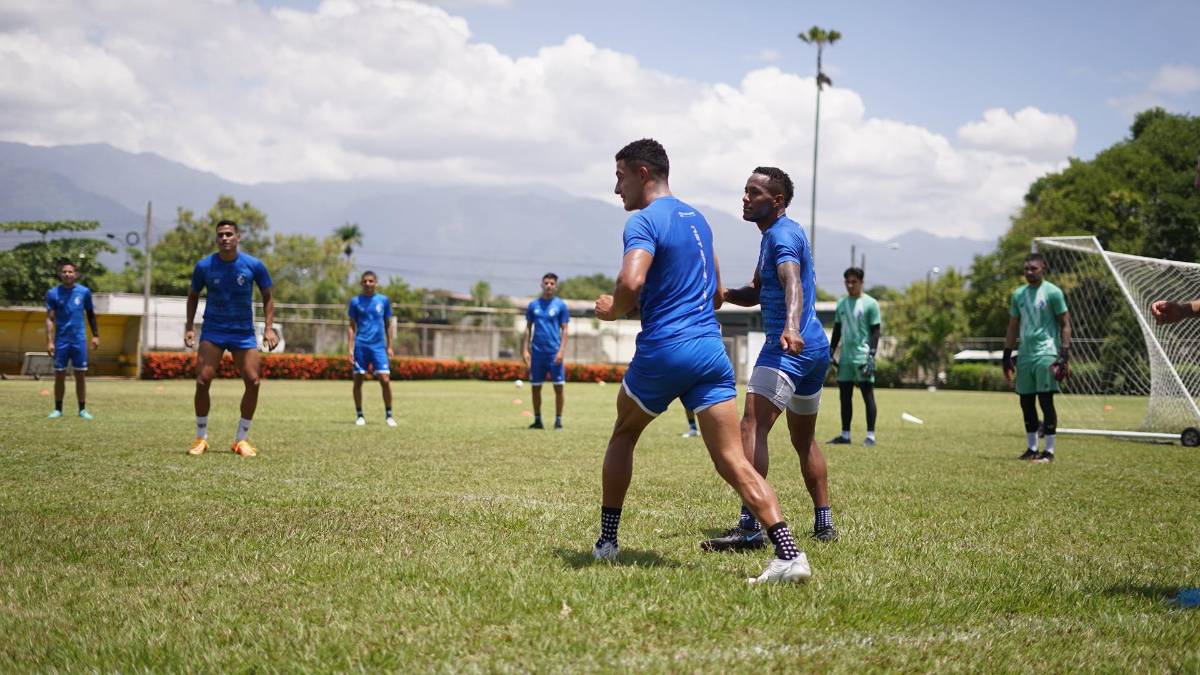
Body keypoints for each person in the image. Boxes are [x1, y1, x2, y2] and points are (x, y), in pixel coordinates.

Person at [592, 139, 810, 584]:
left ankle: (607, 543)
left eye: (619, 177)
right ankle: (790, 555)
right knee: (733, 460)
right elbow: (714, 295)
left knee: (624, 434)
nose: (616, 189)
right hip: (711, 352)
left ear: (642, 174)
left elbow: (630, 281)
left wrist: (613, 309)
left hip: (665, 349)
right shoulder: (699, 220)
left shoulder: (643, 222)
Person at [701, 167, 838, 553]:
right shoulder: (779, 234)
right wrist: (726, 295)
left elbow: (792, 281)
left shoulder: (780, 237)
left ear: (777, 200)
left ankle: (749, 528)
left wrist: (790, 326)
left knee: (752, 426)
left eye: (754, 192)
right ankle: (824, 522)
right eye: (745, 191)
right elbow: (759, 292)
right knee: (803, 438)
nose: (745, 198)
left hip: (788, 347)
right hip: (814, 349)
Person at [184, 219, 278, 457]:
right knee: (202, 381)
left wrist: (269, 329)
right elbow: (193, 295)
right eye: (220, 235)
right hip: (214, 330)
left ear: (238, 237)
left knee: (253, 381)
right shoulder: (204, 266)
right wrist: (189, 327)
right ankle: (201, 437)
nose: (224, 238)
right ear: (216, 239)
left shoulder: (253, 265)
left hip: (242, 332)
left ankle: (241, 439)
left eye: (228, 234)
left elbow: (267, 296)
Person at [1003, 252, 1071, 463]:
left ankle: (1048, 451)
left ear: (1043, 269)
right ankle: (1032, 448)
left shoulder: (1053, 292)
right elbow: (1013, 327)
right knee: (1026, 402)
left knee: (1045, 400)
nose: (1029, 272)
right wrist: (1006, 355)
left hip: (1046, 353)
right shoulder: (1018, 295)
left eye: (1033, 268)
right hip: (1025, 355)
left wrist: (1064, 352)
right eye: (1026, 269)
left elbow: (1065, 324)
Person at [827, 267, 881, 446]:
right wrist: (831, 352)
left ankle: (870, 436)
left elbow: (875, 331)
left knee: (867, 395)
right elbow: (837, 330)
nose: (850, 285)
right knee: (844, 396)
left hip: (862, 357)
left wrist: (872, 354)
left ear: (862, 283)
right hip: (845, 358)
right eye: (847, 282)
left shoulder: (871, 304)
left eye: (854, 282)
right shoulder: (841, 303)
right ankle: (845, 435)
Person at [44, 261, 99, 419]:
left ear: (76, 274)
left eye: (70, 271)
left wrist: (96, 335)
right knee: (59, 375)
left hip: (79, 340)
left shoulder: (84, 292)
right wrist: (49, 341)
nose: (67, 274)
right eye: (64, 272)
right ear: (60, 274)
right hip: (61, 340)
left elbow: (90, 314)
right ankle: (58, 409)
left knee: (80, 375)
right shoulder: (53, 293)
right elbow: (50, 318)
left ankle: (82, 410)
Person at [348, 270, 395, 427]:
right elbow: (351, 326)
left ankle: (389, 415)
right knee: (358, 380)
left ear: (376, 283)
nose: (368, 284)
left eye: (371, 281)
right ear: (361, 283)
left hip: (378, 347)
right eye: (365, 281)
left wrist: (390, 346)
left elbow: (388, 324)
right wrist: (350, 348)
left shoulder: (383, 301)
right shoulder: (355, 302)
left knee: (385, 380)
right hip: (361, 346)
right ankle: (359, 415)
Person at [522, 273, 570, 429]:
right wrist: (525, 350)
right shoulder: (533, 305)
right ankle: (537, 420)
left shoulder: (560, 305)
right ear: (542, 285)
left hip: (554, 353)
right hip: (537, 353)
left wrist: (561, 351)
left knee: (558, 386)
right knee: (535, 386)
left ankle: (558, 421)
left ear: (555, 286)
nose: (549, 285)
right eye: (546, 283)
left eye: (552, 283)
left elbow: (565, 330)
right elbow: (528, 328)